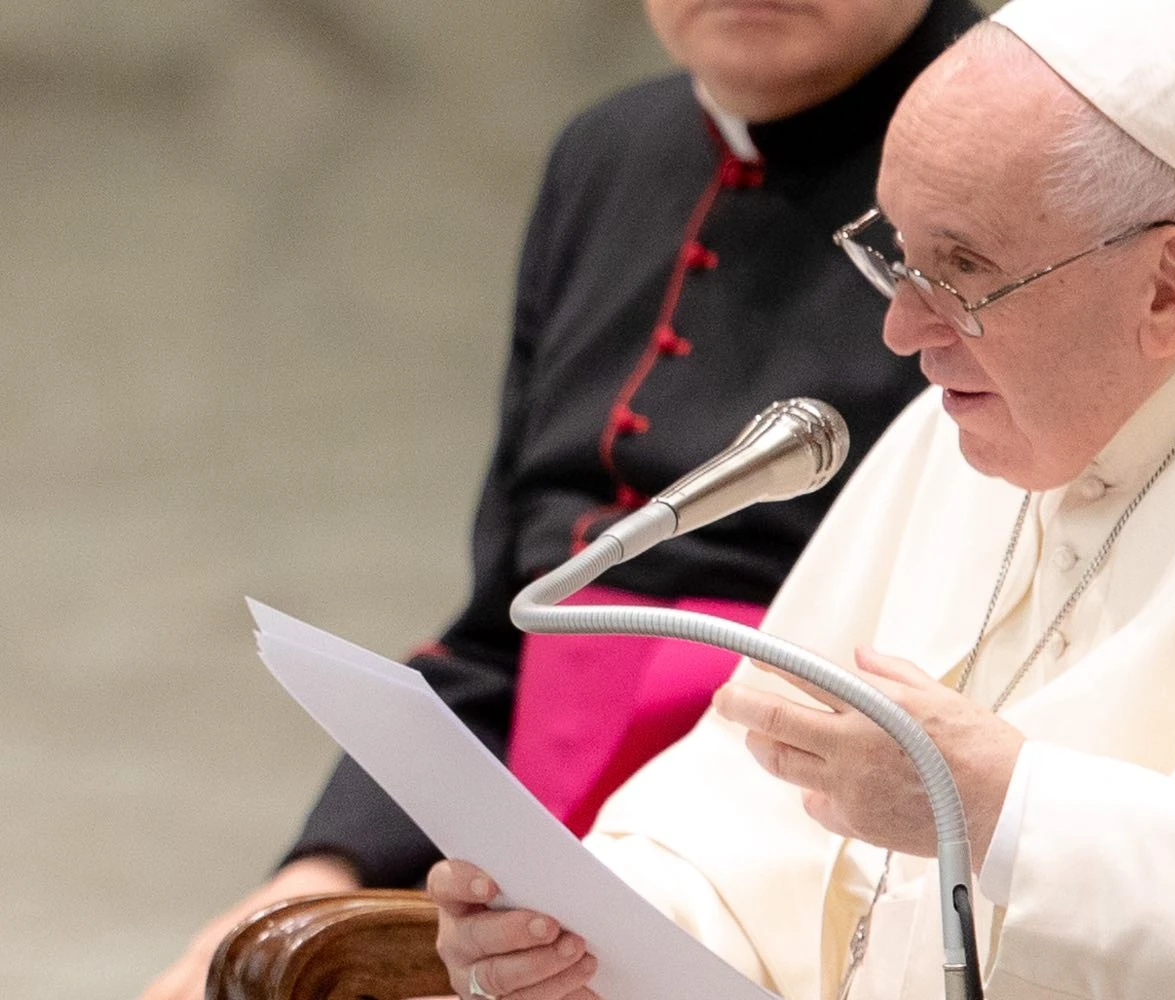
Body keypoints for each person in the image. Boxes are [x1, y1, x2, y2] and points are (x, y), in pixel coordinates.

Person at [426, 0, 1175, 998]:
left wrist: (1002, 808)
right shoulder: (982, 422)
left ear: (1171, 288)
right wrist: (588, 926)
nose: (902, 329)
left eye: (963, 273)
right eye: (894, 254)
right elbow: (746, 807)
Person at [140, 1, 983, 998]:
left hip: (816, 869)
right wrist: (320, 869)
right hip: (531, 847)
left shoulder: (1019, 150)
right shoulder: (610, 153)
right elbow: (505, 623)